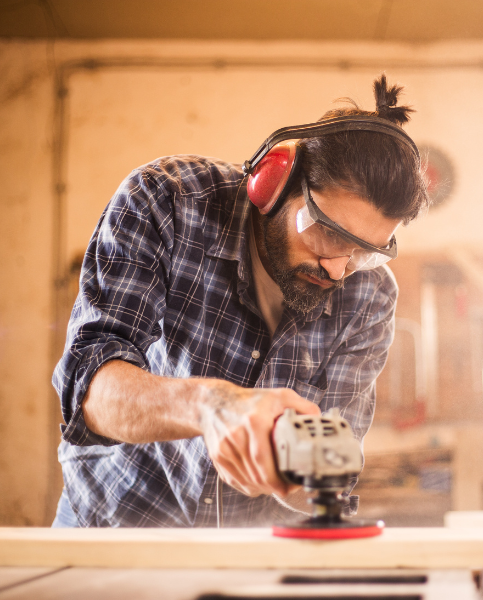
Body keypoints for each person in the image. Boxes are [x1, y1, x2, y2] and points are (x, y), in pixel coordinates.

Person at [52, 74, 429, 527]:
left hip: (251, 550)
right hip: (115, 524)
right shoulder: (167, 201)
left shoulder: (369, 293)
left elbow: (331, 467)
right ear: (272, 181)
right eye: (328, 232)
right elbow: (88, 390)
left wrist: (305, 470)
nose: (337, 268)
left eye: (364, 251)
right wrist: (212, 406)